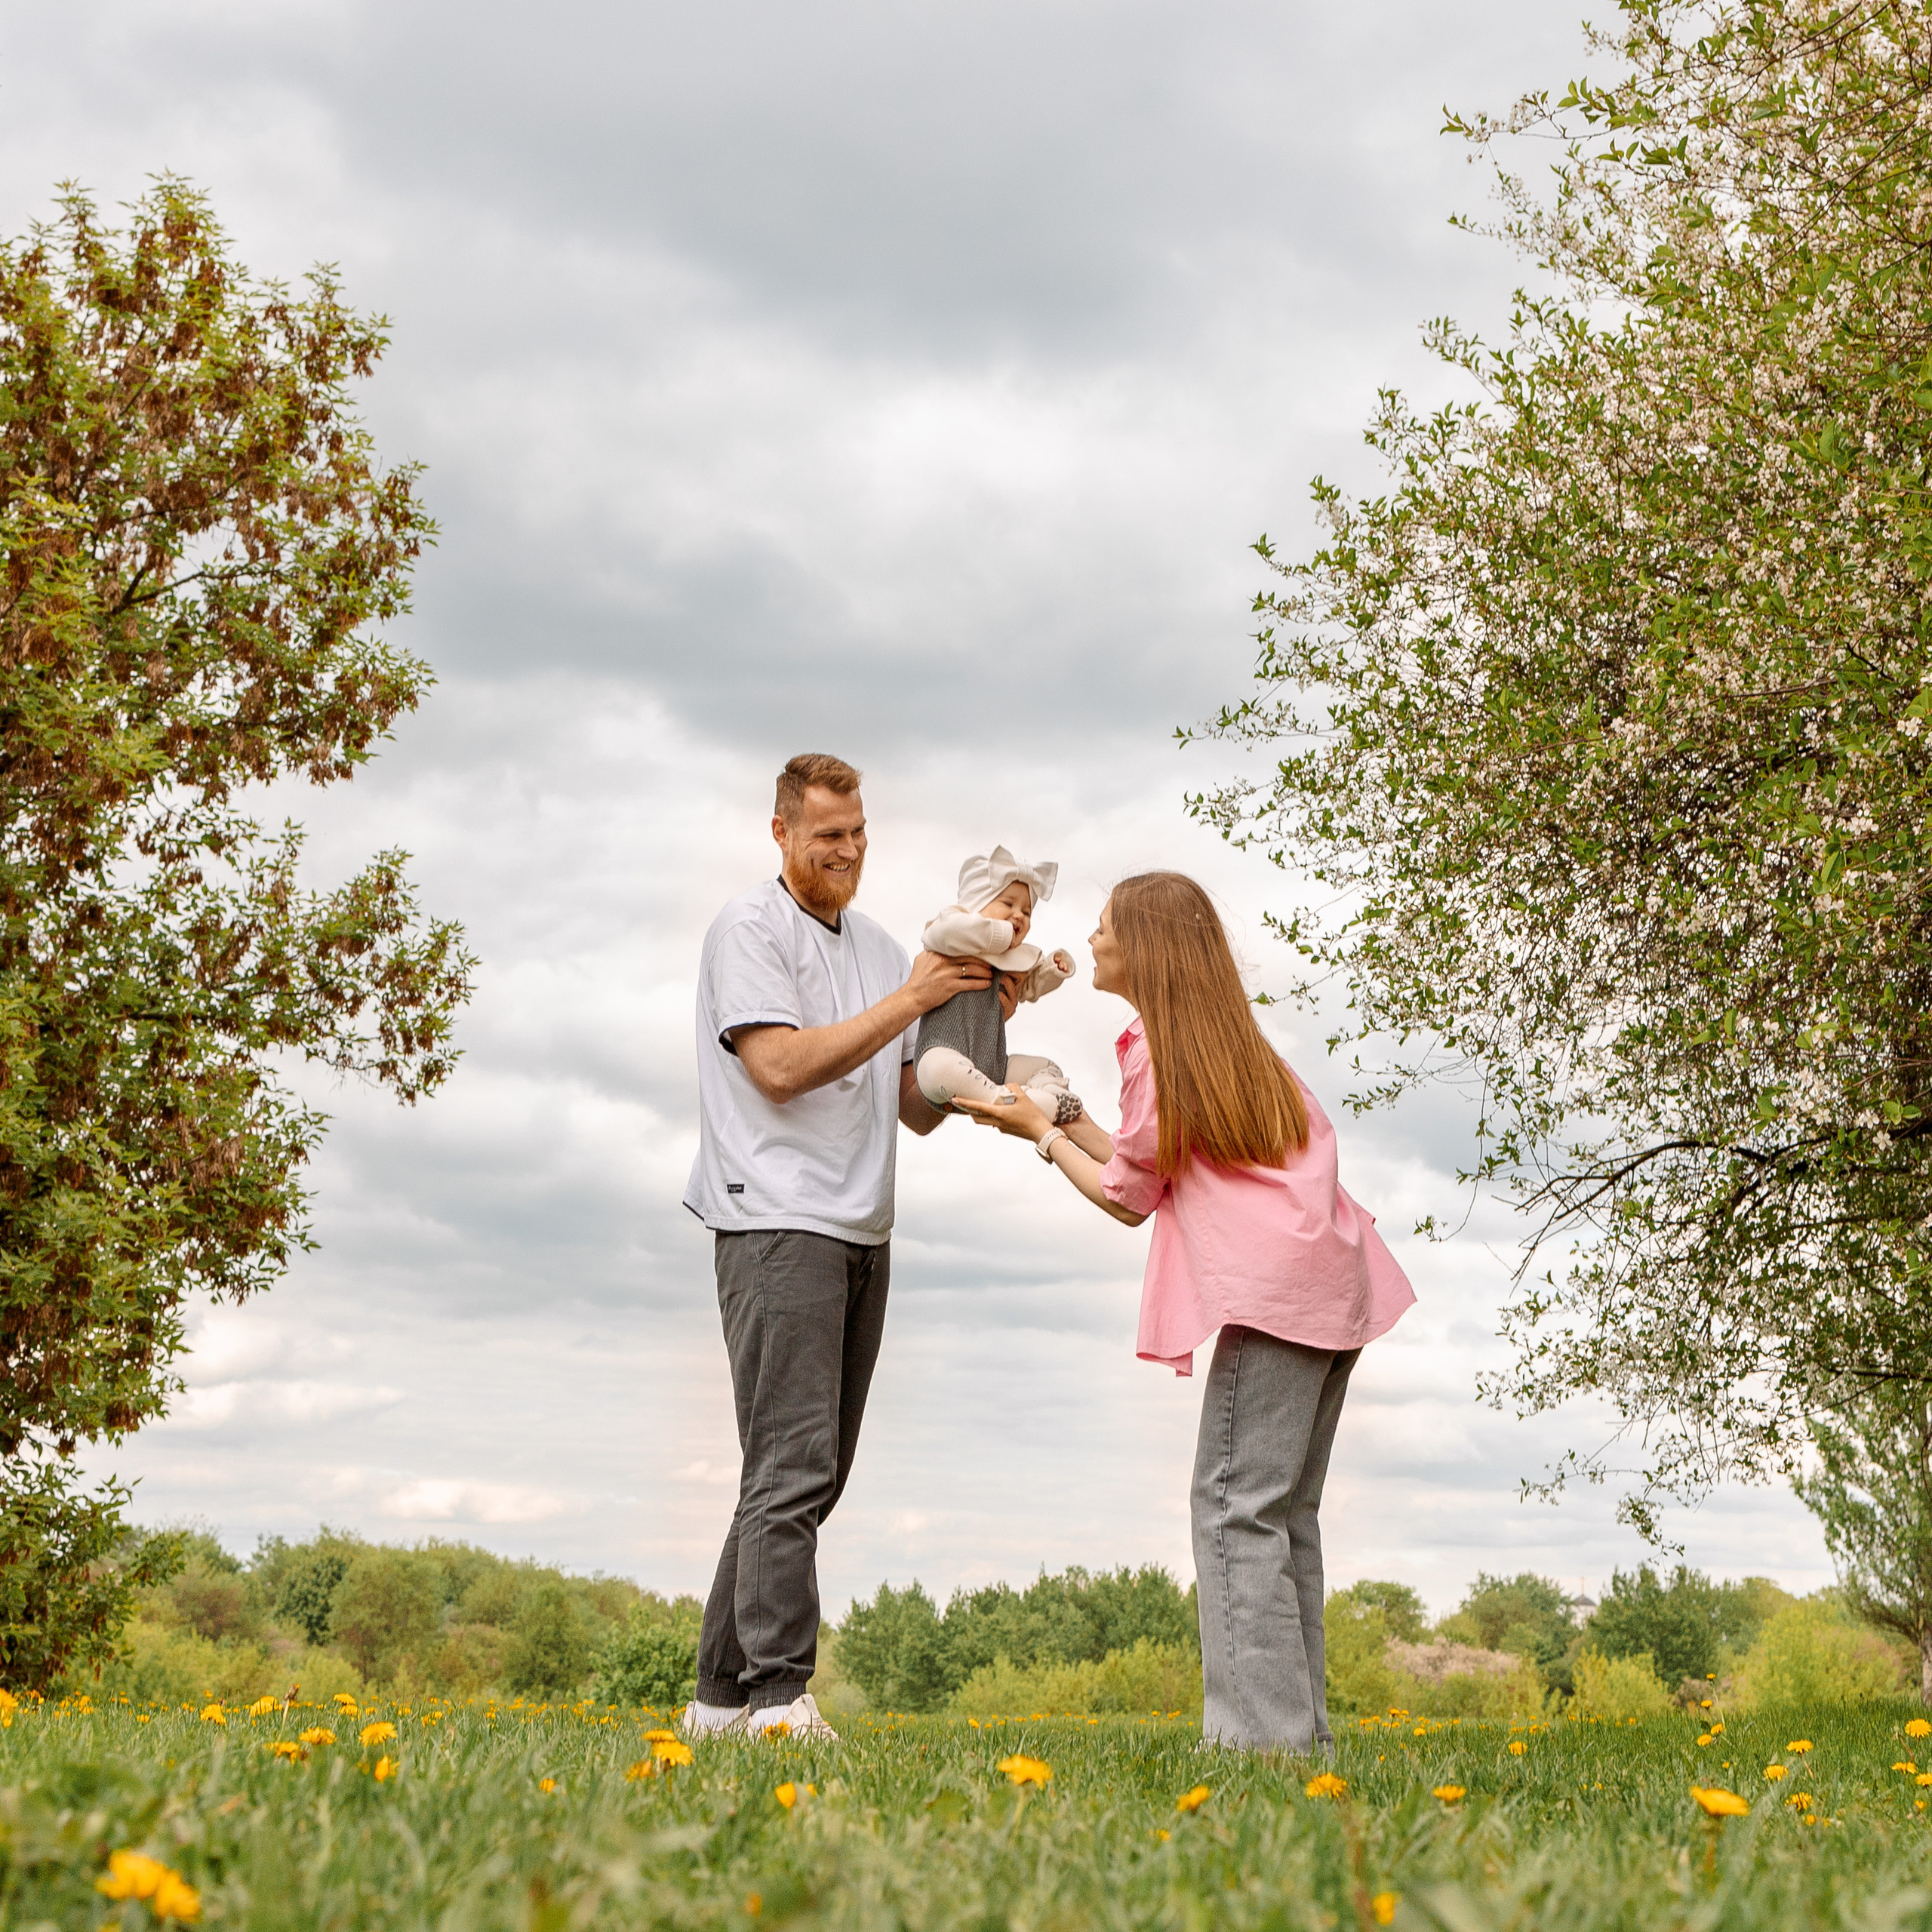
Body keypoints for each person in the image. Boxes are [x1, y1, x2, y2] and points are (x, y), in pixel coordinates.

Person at [955, 870, 1414, 1753]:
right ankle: (1298, 1738)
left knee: (1231, 1507)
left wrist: (1039, 1137)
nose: (1090, 937)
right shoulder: (1224, 1045)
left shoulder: (1165, 1054)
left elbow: (1126, 1202)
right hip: (1330, 1288)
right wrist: (1062, 1115)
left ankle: (1258, 1745)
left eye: (1104, 925)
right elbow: (1148, 1166)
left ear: (1146, 947)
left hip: (1278, 1298)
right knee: (1281, 1516)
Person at [681, 752, 989, 1740]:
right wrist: (909, 1001)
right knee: (792, 1467)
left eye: (858, 833)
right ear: (781, 833)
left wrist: (977, 1021)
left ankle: (718, 1700)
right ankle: (779, 1696)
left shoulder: (881, 946)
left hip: (862, 1225)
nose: (849, 851)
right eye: (827, 835)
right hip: (774, 1218)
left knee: (804, 1468)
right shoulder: (749, 929)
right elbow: (776, 1067)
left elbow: (915, 1108)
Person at [912, 844, 1081, 1125]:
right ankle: (1005, 1102)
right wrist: (997, 935)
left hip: (995, 1067)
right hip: (945, 1058)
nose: (1019, 916)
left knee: (1046, 1067)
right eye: (1008, 904)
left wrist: (1052, 969)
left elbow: (1029, 986)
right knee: (936, 1068)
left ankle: (1042, 1098)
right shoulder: (951, 939)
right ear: (976, 904)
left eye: (1027, 912)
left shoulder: (1012, 960)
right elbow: (941, 932)